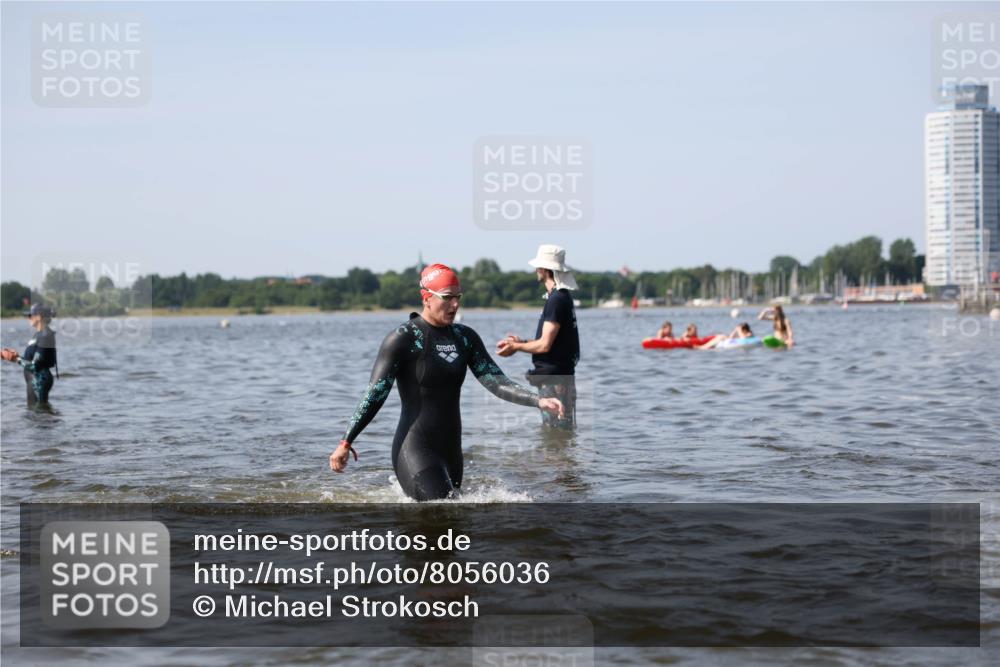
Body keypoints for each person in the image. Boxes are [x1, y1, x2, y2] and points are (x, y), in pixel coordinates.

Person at [329, 263, 563, 501]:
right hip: (415, 448)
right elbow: (375, 394)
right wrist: (346, 441)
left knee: (454, 516)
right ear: (426, 298)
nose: (455, 304)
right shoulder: (403, 338)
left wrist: (538, 400)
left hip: (451, 452)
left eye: (458, 297)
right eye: (447, 297)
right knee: (443, 507)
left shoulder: (464, 337)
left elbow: (495, 381)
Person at [496, 245, 580, 430]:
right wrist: (522, 342)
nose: (535, 270)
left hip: (555, 378)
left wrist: (516, 347)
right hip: (561, 376)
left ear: (544, 269)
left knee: (555, 432)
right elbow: (552, 341)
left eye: (538, 266)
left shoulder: (556, 299)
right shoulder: (561, 297)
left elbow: (544, 345)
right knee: (561, 432)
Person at [1, 304, 58, 407]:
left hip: (39, 381)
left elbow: (34, 365)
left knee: (38, 411)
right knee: (37, 411)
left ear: (39, 317)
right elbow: (33, 360)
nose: (28, 318)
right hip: (36, 379)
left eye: (30, 315)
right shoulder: (40, 334)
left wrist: (15, 359)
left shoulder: (44, 336)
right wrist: (17, 356)